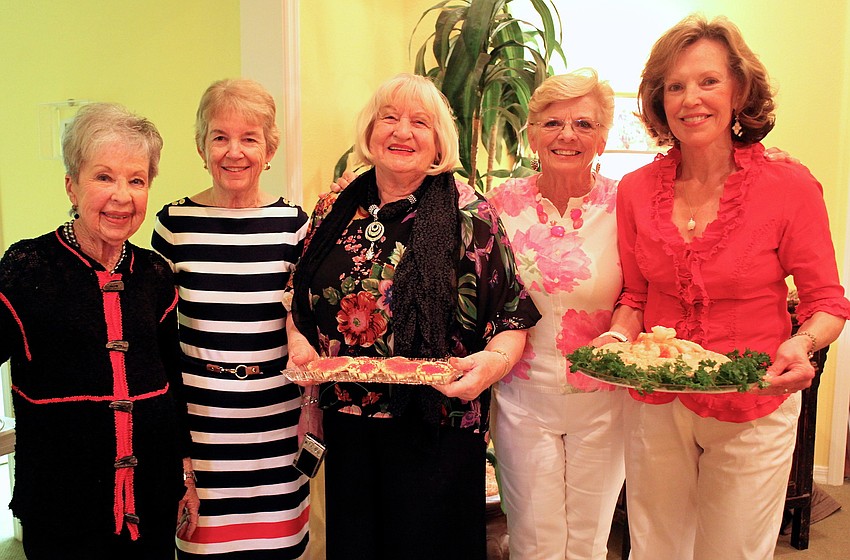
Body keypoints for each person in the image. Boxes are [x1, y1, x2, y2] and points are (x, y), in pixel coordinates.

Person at [604, 14, 850, 559]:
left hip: (754, 400)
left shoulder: (789, 186)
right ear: (659, 100)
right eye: (675, 85)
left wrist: (803, 343)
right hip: (657, 402)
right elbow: (635, 296)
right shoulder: (636, 191)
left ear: (739, 90)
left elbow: (827, 302)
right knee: (656, 548)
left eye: (708, 81)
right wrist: (617, 342)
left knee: (733, 551)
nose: (691, 98)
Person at [285, 73, 541, 560]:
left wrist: (490, 367)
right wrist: (300, 347)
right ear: (370, 132)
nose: (402, 132)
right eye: (390, 118)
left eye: (419, 122)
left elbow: (512, 317)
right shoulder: (334, 207)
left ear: (439, 140)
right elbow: (297, 298)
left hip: (437, 421)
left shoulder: (471, 213)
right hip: (348, 419)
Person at [0, 103, 198, 559]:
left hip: (149, 498)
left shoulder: (153, 273)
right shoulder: (27, 267)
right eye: (104, 177)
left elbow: (172, 384)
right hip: (62, 506)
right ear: (71, 184)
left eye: (137, 180)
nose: (122, 196)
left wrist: (185, 476)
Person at [151, 79, 311, 559]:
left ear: (269, 149)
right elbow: (156, 335)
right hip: (202, 428)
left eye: (249, 138)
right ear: (202, 147)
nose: (234, 151)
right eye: (220, 137)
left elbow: (307, 324)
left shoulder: (295, 226)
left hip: (278, 425)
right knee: (204, 551)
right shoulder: (173, 226)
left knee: (278, 549)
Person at [486, 68, 626, 560]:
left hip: (606, 402)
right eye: (553, 123)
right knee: (532, 538)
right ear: (531, 135)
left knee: (589, 538)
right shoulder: (498, 205)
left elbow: (642, 291)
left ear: (603, 139)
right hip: (523, 398)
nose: (567, 135)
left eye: (584, 124)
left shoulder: (627, 204)